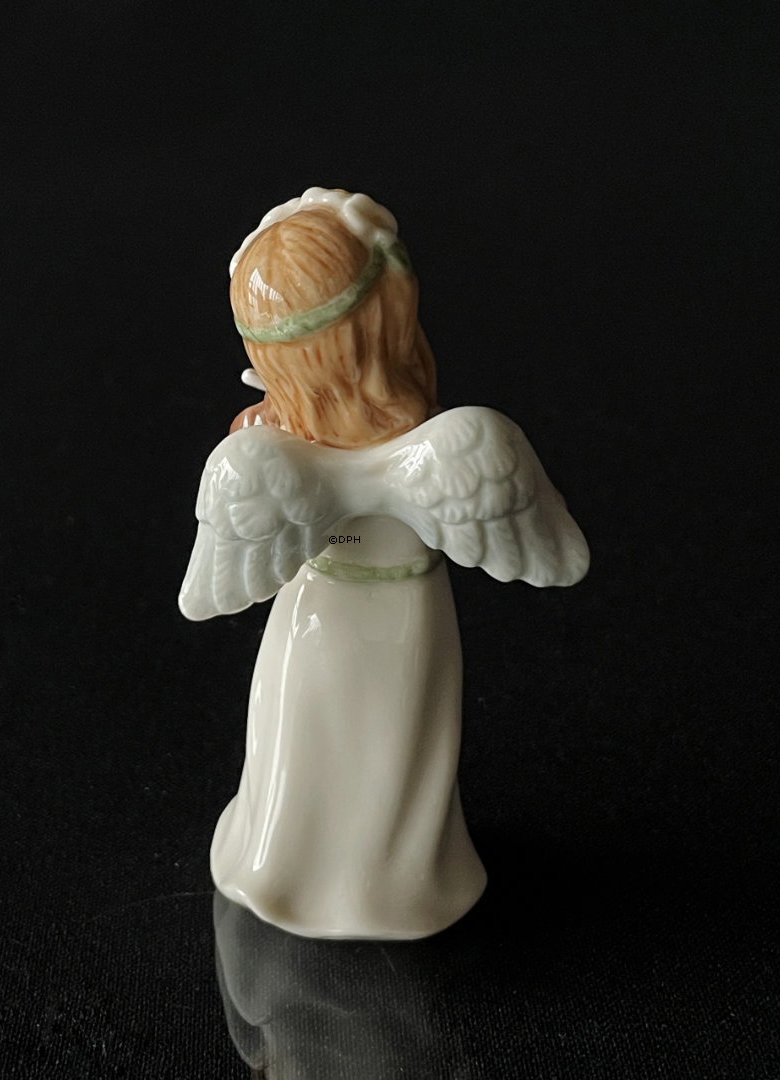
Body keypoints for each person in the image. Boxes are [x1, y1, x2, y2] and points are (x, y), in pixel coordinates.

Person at [180, 188, 588, 938]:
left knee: (301, 736)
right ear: (391, 315)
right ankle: (398, 882)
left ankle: (282, 861)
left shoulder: (260, 449)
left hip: (314, 615)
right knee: (397, 749)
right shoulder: (454, 443)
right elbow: (560, 558)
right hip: (407, 615)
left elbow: (210, 585)